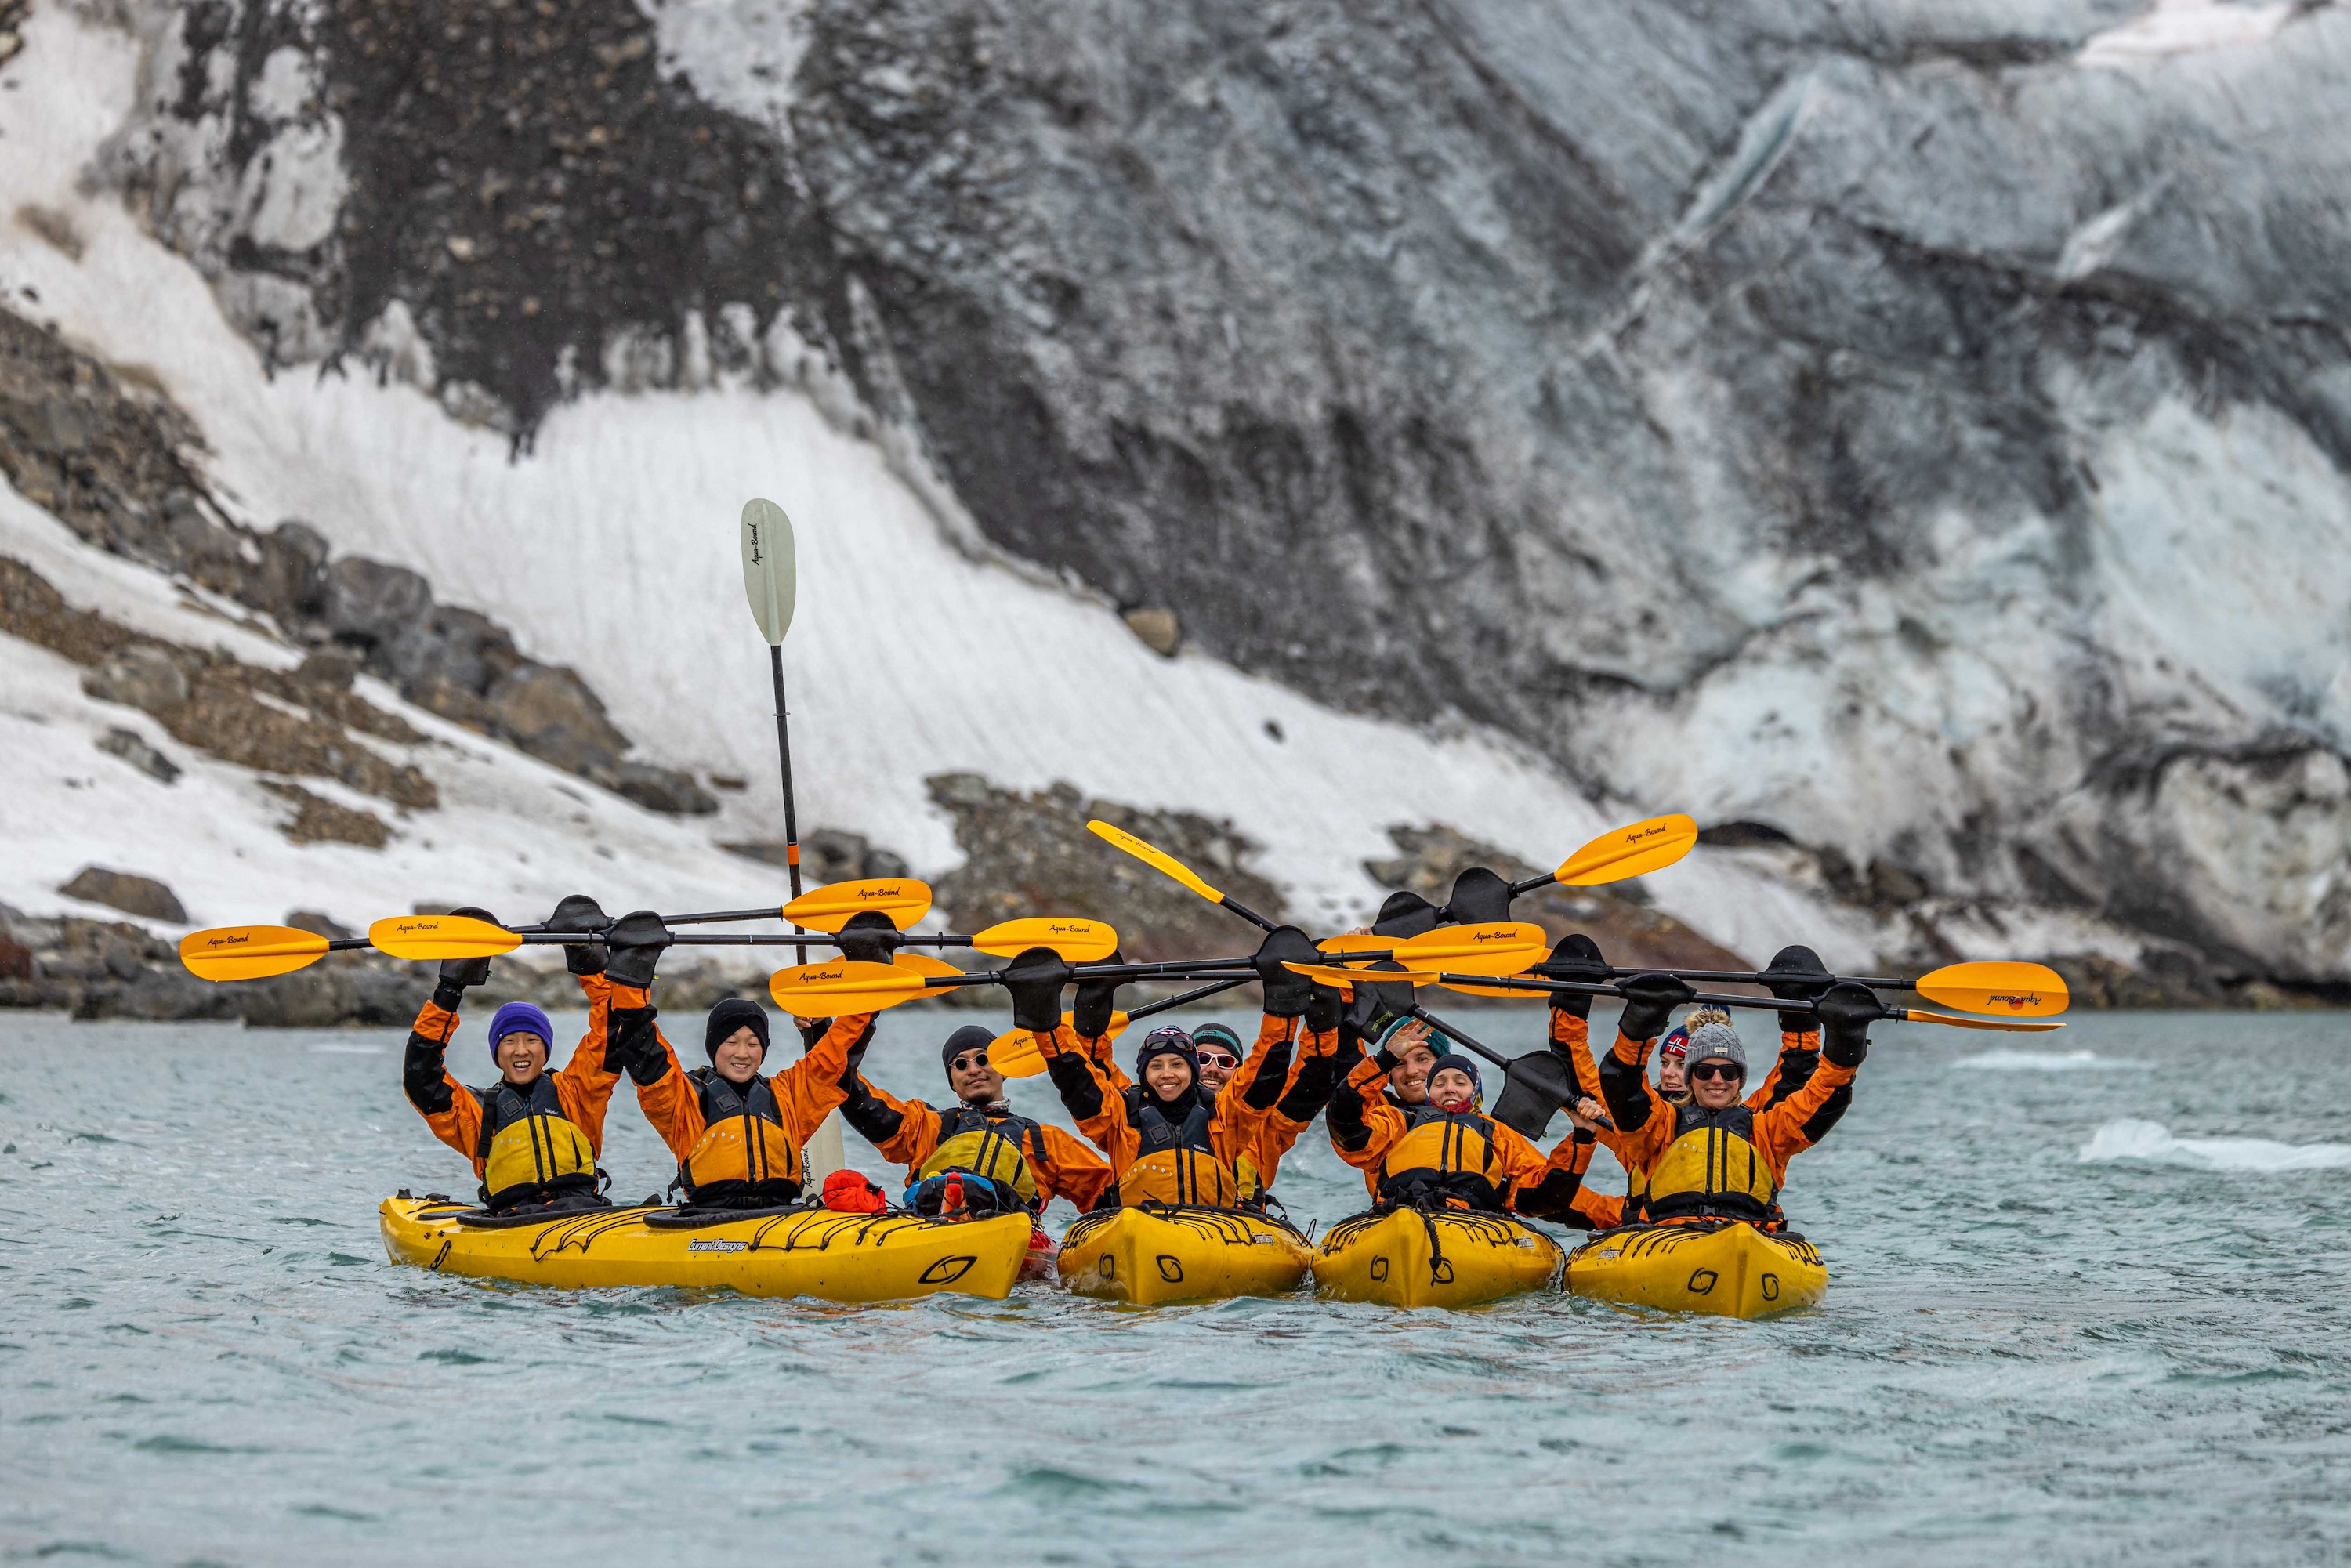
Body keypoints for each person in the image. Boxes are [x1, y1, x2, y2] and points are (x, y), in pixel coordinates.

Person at [602, 912, 878, 1211]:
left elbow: (835, 1057)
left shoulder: (786, 1095)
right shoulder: (686, 1098)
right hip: (709, 1214)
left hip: (780, 1211)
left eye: (753, 1043)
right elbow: (643, 1048)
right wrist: (632, 975)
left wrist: (868, 975)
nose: (742, 1053)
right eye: (731, 1042)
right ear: (713, 1048)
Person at [1029, 929, 1322, 1208]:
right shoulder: (1125, 1114)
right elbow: (1084, 1081)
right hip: (1142, 1226)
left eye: (1225, 1062)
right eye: (1204, 1058)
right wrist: (1056, 1019)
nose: (1211, 1069)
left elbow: (1274, 1072)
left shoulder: (1238, 1119)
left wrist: (1288, 1002)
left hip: (1227, 1229)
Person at [1596, 973, 1875, 1229]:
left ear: (1740, 1079)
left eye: (1728, 1072)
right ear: (1690, 1077)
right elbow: (1622, 1085)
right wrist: (1639, 1026)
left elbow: (1822, 1100)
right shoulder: (1663, 1124)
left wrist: (1844, 1046)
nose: (1717, 1080)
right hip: (1670, 1234)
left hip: (1748, 1234)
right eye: (1705, 1071)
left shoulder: (1765, 1129)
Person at [399, 897, 623, 1214]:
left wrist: (593, 966)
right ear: (496, 1053)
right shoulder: (478, 1113)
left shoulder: (577, 1092)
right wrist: (450, 989)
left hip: (581, 1212)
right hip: (512, 1220)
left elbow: (611, 1027)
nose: (521, 1050)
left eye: (532, 1040)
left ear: (545, 1050)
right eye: (509, 1042)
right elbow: (421, 1077)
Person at [837, 1023, 1114, 1219]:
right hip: (931, 1227)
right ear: (953, 1082)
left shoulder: (1044, 1140)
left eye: (983, 1059)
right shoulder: (926, 1126)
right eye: (961, 1064)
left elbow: (1107, 1193)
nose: (974, 1069)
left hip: (1008, 1237)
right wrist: (820, 1032)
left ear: (1004, 1071)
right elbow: (864, 1106)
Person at [1325, 1046, 1592, 1219]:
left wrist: (1582, 1135)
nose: (1450, 1089)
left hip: (1475, 1222)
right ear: (1430, 1093)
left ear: (1475, 1091)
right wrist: (1383, 1059)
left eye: (1460, 1082)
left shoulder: (1496, 1132)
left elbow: (1543, 1195)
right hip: (1401, 1217)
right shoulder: (1400, 1122)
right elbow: (1346, 1125)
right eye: (1439, 1083)